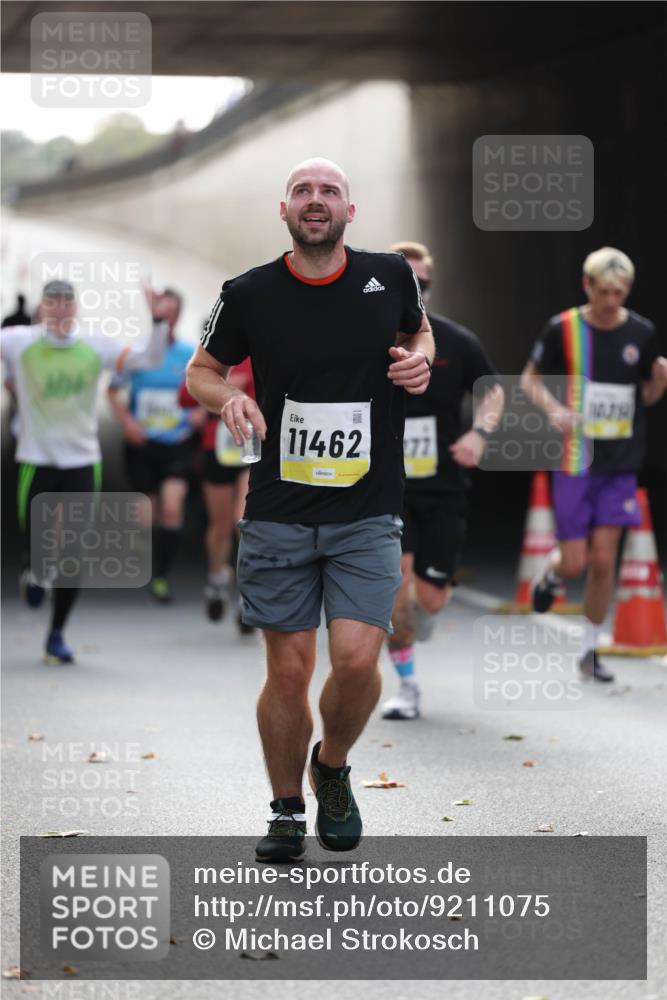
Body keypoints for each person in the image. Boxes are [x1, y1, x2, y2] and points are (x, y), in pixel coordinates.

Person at [186, 157, 434, 860]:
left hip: (367, 506)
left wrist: (417, 357)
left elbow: (419, 332)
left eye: (329, 191)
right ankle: (286, 808)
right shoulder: (248, 293)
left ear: (350, 210)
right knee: (289, 672)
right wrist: (229, 397)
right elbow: (200, 372)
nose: (315, 200)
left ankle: (331, 766)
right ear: (284, 210)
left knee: (355, 662)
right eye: (302, 191)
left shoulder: (389, 275)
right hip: (278, 510)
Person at [0, 279, 168, 663]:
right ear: (42, 308)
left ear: (75, 307)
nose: (59, 309)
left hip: (82, 460)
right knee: (37, 538)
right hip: (36, 459)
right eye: (52, 303)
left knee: (74, 549)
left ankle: (56, 633)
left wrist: (158, 321)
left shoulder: (94, 345)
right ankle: (35, 568)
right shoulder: (20, 342)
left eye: (66, 303)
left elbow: (148, 360)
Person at [521, 247, 667, 681]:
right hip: (574, 459)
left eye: (619, 293)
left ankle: (589, 650)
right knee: (575, 563)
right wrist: (553, 410)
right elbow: (530, 379)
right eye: (603, 291)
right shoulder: (563, 328)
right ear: (587, 286)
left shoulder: (641, 332)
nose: (610, 301)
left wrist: (659, 384)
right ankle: (552, 574)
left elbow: (645, 396)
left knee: (604, 560)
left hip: (620, 462)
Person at [381, 242, 504, 720]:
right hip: (386, 489)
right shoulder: (365, 338)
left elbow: (493, 392)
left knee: (430, 600)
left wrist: (479, 433)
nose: (416, 291)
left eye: (423, 284)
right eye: (407, 282)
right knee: (396, 591)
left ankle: (417, 617)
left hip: (443, 487)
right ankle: (407, 686)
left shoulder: (455, 340)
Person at [107, 288, 202, 604]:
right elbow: (111, 390)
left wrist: (201, 413)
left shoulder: (190, 354)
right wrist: (127, 423)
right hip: (142, 444)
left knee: (172, 508)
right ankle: (141, 555)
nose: (167, 318)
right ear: (153, 314)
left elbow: (210, 386)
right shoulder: (136, 353)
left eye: (172, 313)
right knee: (143, 517)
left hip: (177, 443)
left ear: (179, 316)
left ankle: (161, 576)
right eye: (162, 312)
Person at [178, 355, 254, 629]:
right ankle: (218, 578)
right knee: (220, 526)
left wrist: (244, 389)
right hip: (218, 446)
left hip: (252, 444)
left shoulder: (262, 351)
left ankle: (249, 593)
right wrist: (219, 391)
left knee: (243, 521)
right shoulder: (216, 353)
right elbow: (184, 396)